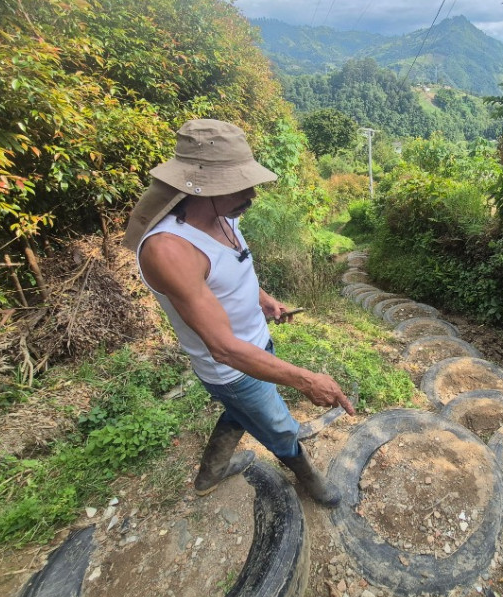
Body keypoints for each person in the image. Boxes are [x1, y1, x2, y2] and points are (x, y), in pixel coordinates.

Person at [122, 119, 354, 507]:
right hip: (232, 369)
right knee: (278, 428)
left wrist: (262, 298)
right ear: (200, 185)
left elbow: (229, 270)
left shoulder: (223, 213)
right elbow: (225, 348)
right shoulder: (170, 250)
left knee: (240, 412)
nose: (251, 193)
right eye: (237, 184)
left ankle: (210, 472)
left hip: (257, 345)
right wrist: (307, 380)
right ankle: (309, 478)